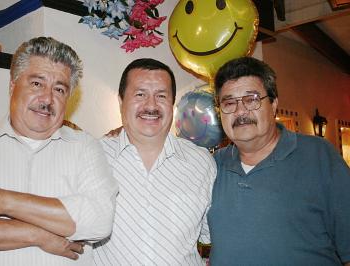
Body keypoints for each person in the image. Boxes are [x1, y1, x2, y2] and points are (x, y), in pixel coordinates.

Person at [0, 37, 118, 266]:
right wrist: (39, 236)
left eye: (59, 89)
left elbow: (99, 220)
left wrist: (3, 200)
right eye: (37, 84)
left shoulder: (85, 148)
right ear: (12, 86)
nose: (47, 99)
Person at [208, 56, 350, 265]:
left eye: (252, 99)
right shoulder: (211, 167)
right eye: (229, 103)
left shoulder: (319, 156)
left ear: (273, 104)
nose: (240, 111)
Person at [93, 58, 217, 265]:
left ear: (172, 104)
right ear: (121, 101)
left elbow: (212, 237)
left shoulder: (202, 163)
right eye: (140, 94)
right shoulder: (93, 157)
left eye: (161, 96)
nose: (151, 105)